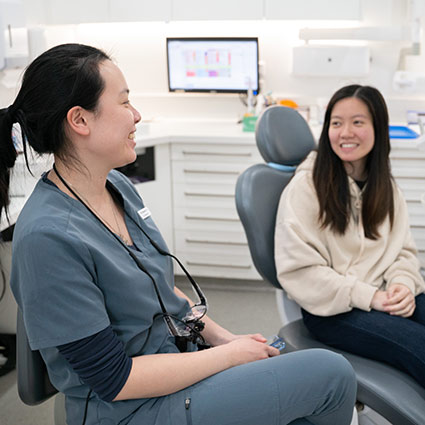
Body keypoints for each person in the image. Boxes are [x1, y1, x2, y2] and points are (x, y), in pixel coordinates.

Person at [1, 43, 356, 425]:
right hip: (128, 409)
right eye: (123, 103)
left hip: (177, 363)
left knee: (300, 398)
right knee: (330, 375)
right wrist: (226, 358)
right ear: (80, 121)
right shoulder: (48, 237)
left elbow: (163, 289)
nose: (136, 115)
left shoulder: (117, 186)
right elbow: (113, 380)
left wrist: (225, 338)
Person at [275, 84, 425, 387]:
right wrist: (372, 297)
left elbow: (403, 252)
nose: (346, 132)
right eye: (336, 123)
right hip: (335, 308)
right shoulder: (306, 188)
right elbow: (301, 273)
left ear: (378, 128)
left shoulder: (384, 187)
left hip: (384, 293)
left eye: (358, 122)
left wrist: (402, 285)